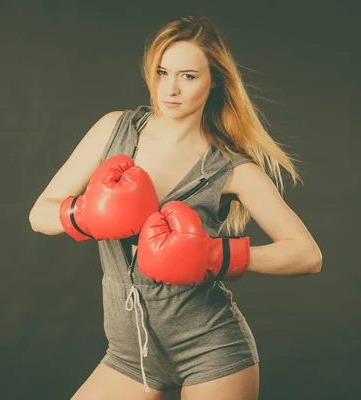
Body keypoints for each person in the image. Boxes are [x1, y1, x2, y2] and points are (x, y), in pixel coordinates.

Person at [29, 15, 322, 400]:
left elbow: (307, 255)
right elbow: (39, 215)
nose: (170, 88)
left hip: (211, 351)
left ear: (214, 80)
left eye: (188, 76)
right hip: (128, 356)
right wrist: (83, 215)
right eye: (163, 72)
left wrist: (214, 255)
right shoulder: (115, 130)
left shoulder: (229, 167)